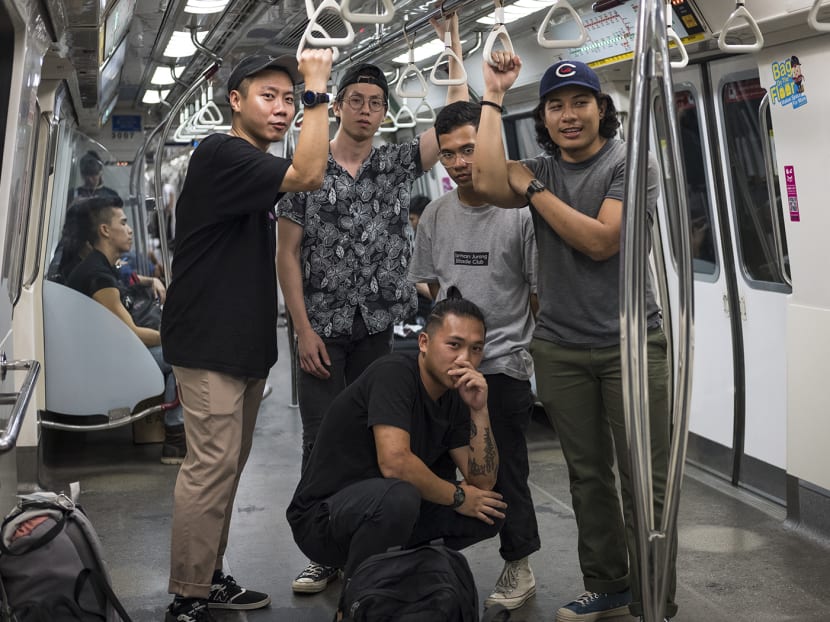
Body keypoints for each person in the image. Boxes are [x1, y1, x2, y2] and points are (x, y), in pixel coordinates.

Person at [473, 55, 676, 622]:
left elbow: (601, 241)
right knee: (587, 477)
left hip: (631, 345)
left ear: (601, 109)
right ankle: (608, 584)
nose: (568, 115)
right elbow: (487, 179)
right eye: (555, 106)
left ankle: (655, 596)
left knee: (645, 479)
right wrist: (492, 94)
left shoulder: (631, 164)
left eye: (579, 102)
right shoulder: (541, 165)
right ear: (542, 117)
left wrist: (534, 187)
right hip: (560, 346)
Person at [277, 12, 468, 594]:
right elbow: (287, 255)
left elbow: (459, 123)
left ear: (385, 112)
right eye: (355, 100)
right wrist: (302, 330)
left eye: (375, 102)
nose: (365, 110)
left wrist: (455, 50)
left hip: (377, 327)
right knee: (322, 437)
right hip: (322, 326)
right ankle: (324, 549)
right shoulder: (307, 166)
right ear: (336, 106)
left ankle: (366, 539)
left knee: (377, 436)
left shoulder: (395, 163)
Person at [159, 49, 333, 622]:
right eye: (270, 96)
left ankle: (208, 576)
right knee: (210, 468)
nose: (283, 109)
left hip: (243, 344)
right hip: (208, 341)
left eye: (289, 99)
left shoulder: (253, 164)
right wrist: (316, 88)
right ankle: (186, 594)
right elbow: (309, 173)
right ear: (235, 101)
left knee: (227, 469)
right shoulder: (222, 152)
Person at [286, 291, 507, 620]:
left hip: (392, 511)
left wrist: (479, 409)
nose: (465, 359)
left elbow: (483, 481)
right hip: (324, 519)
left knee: (491, 510)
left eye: (475, 349)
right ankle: (353, 608)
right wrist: (459, 496)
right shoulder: (395, 374)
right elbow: (395, 464)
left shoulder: (455, 393)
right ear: (423, 343)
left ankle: (408, 586)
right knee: (400, 495)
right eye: (454, 345)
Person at [408, 100, 540, 611]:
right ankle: (429, 556)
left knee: (506, 469)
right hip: (443, 371)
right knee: (435, 463)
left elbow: (535, 290)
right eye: (449, 155)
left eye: (469, 149)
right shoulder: (437, 215)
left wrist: (508, 344)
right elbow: (433, 282)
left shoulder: (520, 214)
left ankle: (519, 562)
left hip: (502, 364)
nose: (460, 162)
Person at [65, 196, 183, 465]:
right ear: (105, 231)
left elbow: (127, 281)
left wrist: (152, 279)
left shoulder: (100, 267)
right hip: (104, 367)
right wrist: (174, 338)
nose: (130, 229)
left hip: (105, 354)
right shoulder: (99, 277)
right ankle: (176, 438)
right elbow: (130, 333)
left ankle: (176, 435)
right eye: (124, 222)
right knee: (185, 353)